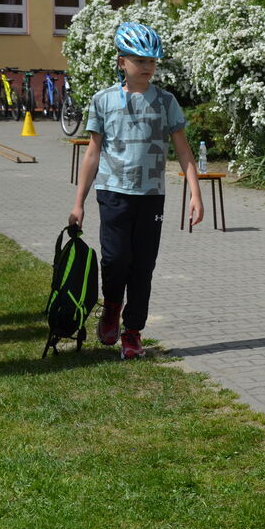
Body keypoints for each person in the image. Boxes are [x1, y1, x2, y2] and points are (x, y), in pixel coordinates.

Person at [69, 22, 204, 360]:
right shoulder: (102, 101)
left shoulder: (166, 102)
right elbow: (92, 153)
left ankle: (132, 331)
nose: (147, 67)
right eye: (139, 60)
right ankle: (112, 306)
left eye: (152, 61)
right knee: (116, 260)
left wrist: (195, 193)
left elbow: (184, 151)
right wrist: (78, 204)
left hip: (151, 196)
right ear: (121, 63)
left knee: (143, 265)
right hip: (112, 192)